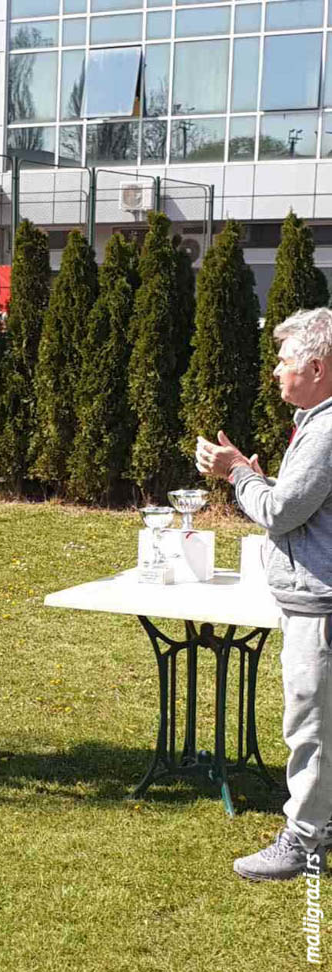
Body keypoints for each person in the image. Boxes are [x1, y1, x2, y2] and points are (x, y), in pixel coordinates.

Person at [197, 307, 332, 881]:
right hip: (314, 597)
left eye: (284, 361)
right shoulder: (316, 422)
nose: (276, 371)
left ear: (318, 368)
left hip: (318, 606)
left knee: (311, 728)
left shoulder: (325, 429)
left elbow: (278, 514)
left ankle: (304, 843)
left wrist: (238, 475)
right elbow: (301, 507)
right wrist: (262, 479)